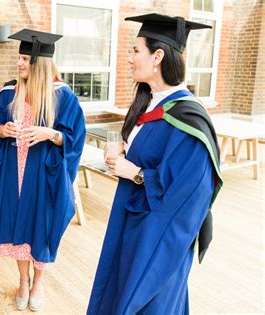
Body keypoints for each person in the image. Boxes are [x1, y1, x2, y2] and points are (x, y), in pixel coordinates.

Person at [87, 13, 223, 314]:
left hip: (156, 237)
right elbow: (152, 150)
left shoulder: (188, 118)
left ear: (157, 56)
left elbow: (190, 193)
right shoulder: (151, 101)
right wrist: (125, 149)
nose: (129, 59)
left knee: (148, 304)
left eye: (136, 51)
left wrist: (135, 173)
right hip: (132, 221)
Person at [0, 29, 86, 312]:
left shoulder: (63, 96)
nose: (20, 63)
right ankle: (23, 280)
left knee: (41, 226)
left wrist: (50, 134)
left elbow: (75, 137)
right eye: (20, 58)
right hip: (14, 172)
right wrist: (2, 129)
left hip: (44, 176)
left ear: (40, 63)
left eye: (25, 59)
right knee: (16, 227)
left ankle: (39, 283)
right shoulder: (9, 92)